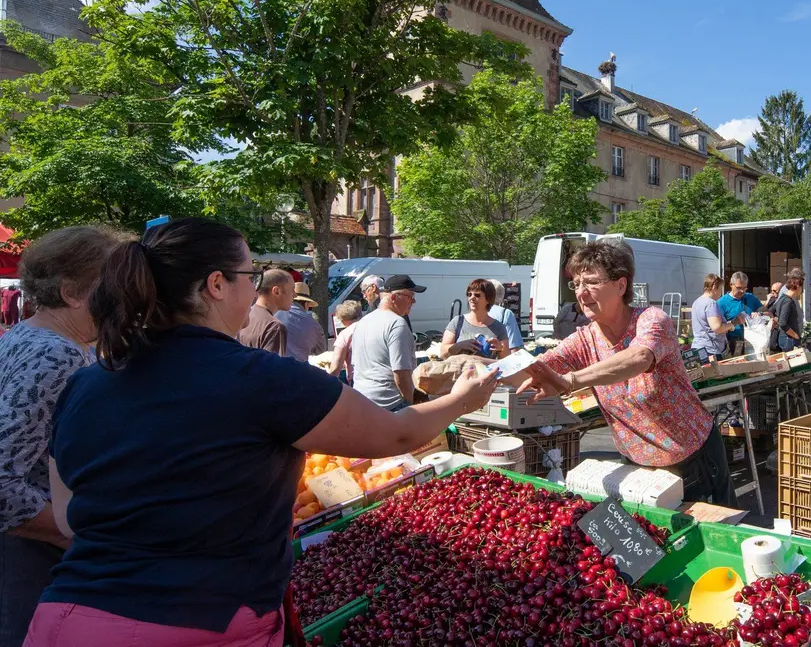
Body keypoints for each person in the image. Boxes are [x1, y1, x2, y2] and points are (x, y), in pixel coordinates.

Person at [23, 219, 499, 647]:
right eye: (250, 276)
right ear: (216, 284)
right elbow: (392, 437)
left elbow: (68, 517)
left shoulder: (87, 382)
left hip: (62, 619)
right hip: (198, 625)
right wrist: (463, 400)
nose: (254, 289)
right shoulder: (260, 379)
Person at [517, 241, 735, 506]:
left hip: (693, 459)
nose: (581, 293)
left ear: (621, 285)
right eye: (576, 283)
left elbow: (639, 357)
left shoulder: (652, 320)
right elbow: (534, 369)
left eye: (591, 282)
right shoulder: (584, 340)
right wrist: (472, 368)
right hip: (636, 466)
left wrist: (571, 380)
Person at [0, 227, 124, 647]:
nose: (122, 303)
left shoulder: (25, 335)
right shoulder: (58, 353)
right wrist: (70, 536)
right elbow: (1, 480)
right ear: (72, 292)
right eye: (112, 289)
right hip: (31, 554)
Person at [352, 275, 425, 411]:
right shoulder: (397, 323)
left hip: (361, 400)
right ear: (393, 297)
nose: (413, 301)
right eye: (410, 296)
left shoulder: (363, 322)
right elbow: (401, 375)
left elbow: (355, 366)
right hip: (390, 403)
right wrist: (411, 403)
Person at [440, 279, 510, 360]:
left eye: (477, 295)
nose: (471, 298)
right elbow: (443, 354)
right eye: (469, 294)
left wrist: (500, 348)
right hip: (460, 371)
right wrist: (459, 345)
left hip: (486, 372)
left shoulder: (499, 327)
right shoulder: (458, 321)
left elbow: (506, 360)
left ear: (488, 299)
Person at [236, 268, 292, 356]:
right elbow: (272, 368)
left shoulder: (245, 315)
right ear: (276, 291)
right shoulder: (274, 326)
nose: (295, 295)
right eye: (292, 289)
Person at [274, 282, 326, 362]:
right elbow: (320, 349)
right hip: (298, 369)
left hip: (272, 366)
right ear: (306, 304)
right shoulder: (313, 324)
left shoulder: (272, 314)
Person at [690, 274, 737, 360]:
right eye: (720, 289)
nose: (720, 293)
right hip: (710, 351)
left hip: (698, 347)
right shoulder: (711, 304)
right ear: (714, 287)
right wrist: (732, 324)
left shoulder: (696, 302)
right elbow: (717, 328)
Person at [718, 271, 762, 357]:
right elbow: (718, 328)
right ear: (731, 284)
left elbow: (767, 312)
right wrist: (734, 322)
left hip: (753, 344)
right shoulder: (721, 303)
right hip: (733, 346)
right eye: (739, 288)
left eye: (745, 288)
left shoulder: (751, 297)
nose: (742, 291)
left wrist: (759, 313)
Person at [327, 301, 362, 384]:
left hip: (357, 379)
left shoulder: (344, 334)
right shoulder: (373, 328)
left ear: (343, 319)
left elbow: (335, 368)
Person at [487, 279, 524, 350]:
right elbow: (513, 347)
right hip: (497, 359)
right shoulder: (505, 313)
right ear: (501, 295)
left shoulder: (475, 312)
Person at [775, 271, 805, 351]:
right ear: (798, 286)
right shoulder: (787, 301)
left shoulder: (782, 298)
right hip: (789, 340)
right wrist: (795, 335)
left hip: (787, 339)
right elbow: (782, 323)